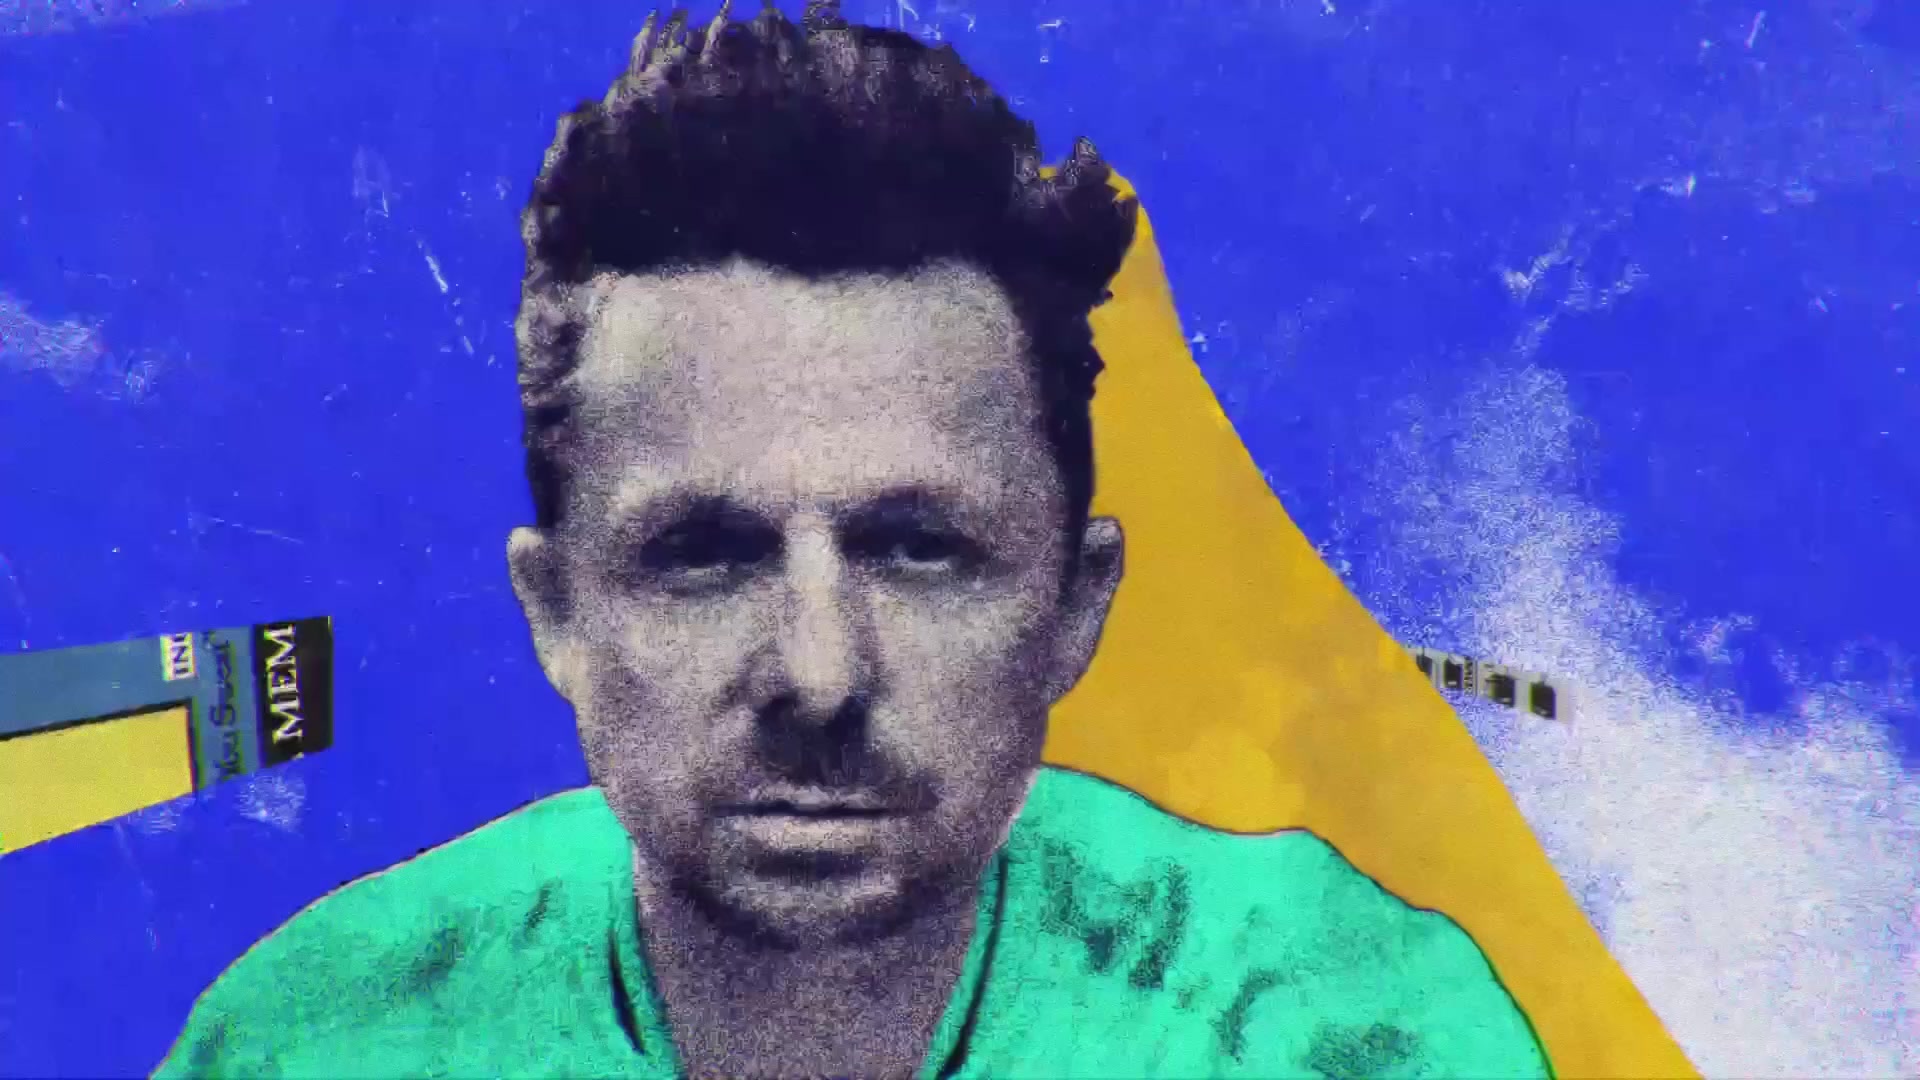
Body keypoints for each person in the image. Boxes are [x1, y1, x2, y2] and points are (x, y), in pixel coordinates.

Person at [157, 3, 1552, 1077]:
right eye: (703, 554)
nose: (819, 674)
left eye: (919, 548)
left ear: (1076, 607)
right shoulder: (317, 1042)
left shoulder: (1339, 1035)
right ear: (557, 613)